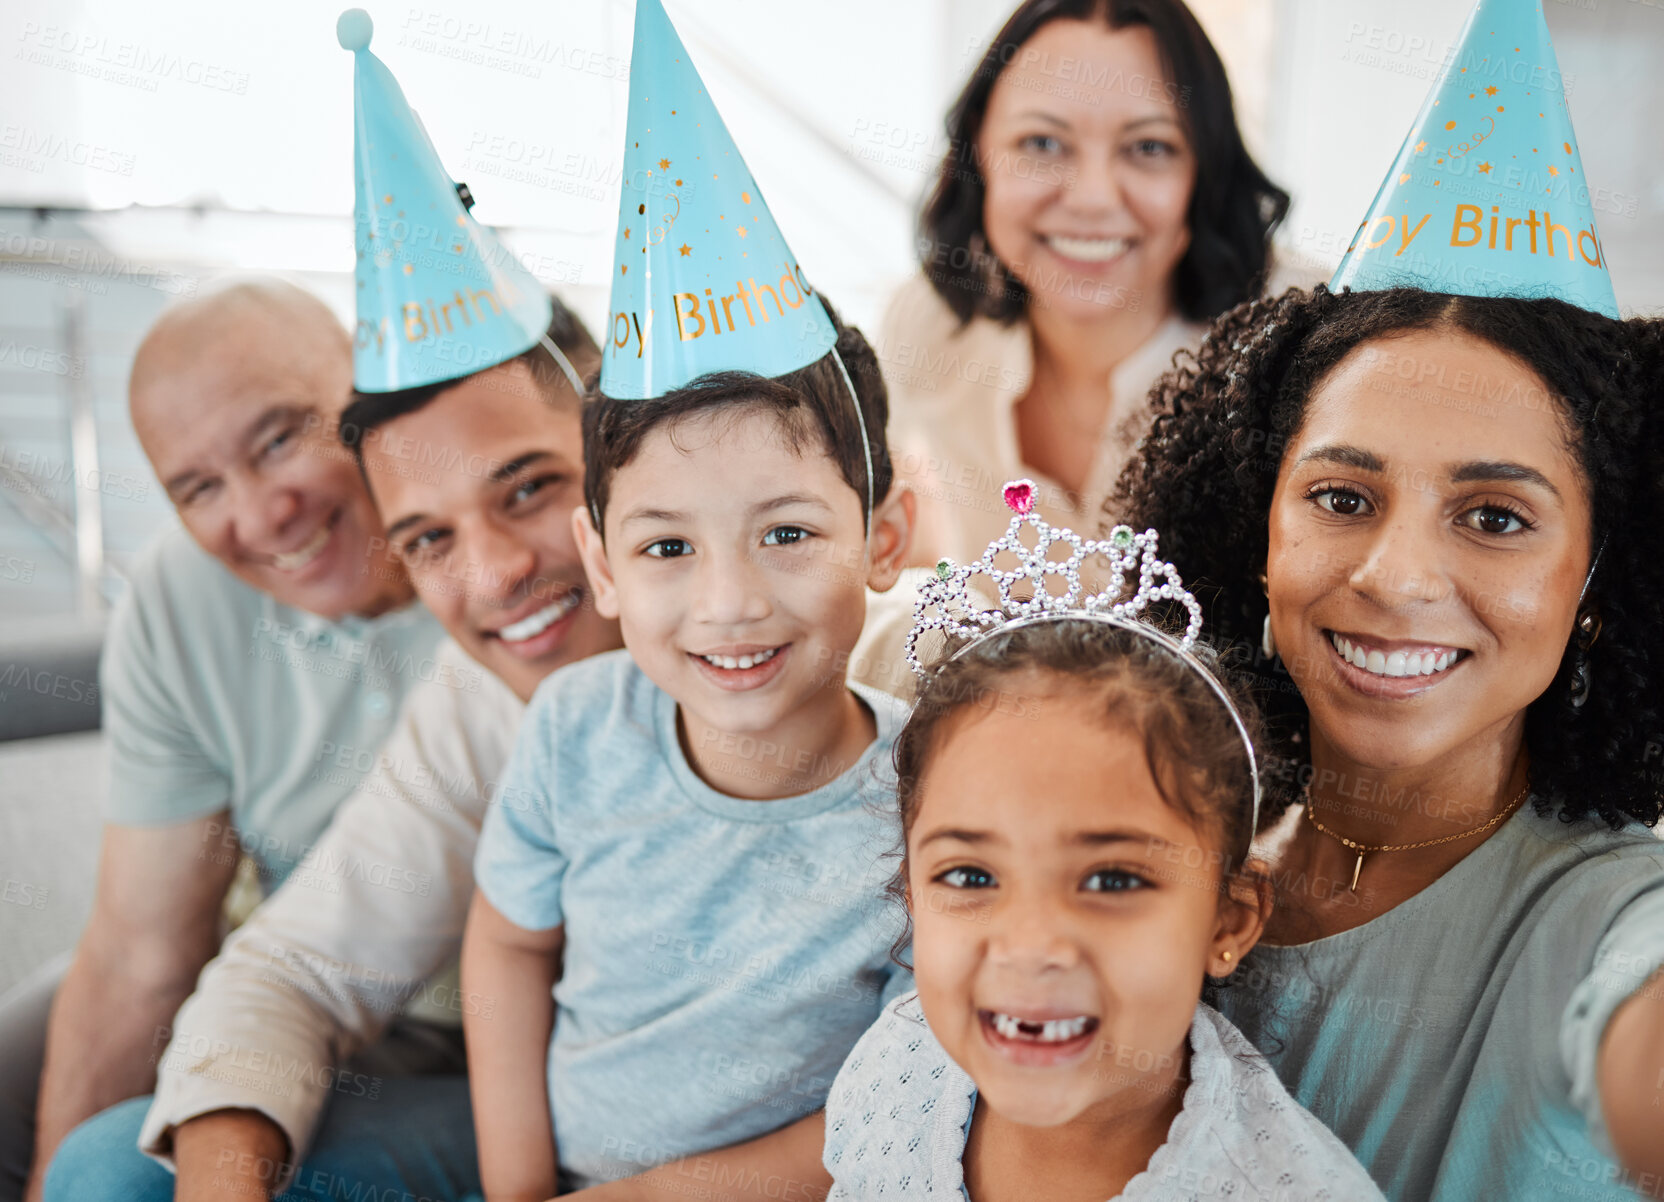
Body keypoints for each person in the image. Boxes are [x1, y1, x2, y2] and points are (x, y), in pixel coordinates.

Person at [38, 14, 625, 1200]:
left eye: (530, 488)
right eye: (433, 537)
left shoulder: (799, 663)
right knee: (105, 1164)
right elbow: (256, 965)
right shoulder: (482, 700)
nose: (497, 569)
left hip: (600, 1102)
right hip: (415, 1051)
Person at [1115, 4, 1663, 1193]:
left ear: (1597, 577)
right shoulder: (1165, 849)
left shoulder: (1612, 917)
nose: (1396, 576)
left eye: (1494, 517)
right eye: (1341, 496)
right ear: (1250, 524)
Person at [460, 5, 917, 1197]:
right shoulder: (574, 730)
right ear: (599, 562)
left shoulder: (932, 792)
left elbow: (919, 1082)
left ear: (886, 534)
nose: (728, 602)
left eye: (786, 531)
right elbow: (508, 942)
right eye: (665, 546)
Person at [0, 278, 445, 1202]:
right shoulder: (179, 599)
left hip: (487, 1033)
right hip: (288, 988)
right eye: (199, 487)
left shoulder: (501, 599)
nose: (259, 515)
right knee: (35, 1078)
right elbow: (141, 951)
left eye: (280, 438)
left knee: (118, 1168)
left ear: (369, 387)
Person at [822, 485, 1386, 1200]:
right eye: (968, 877)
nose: (1031, 945)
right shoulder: (899, 1065)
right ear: (911, 892)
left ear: (1230, 919)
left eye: (1113, 880)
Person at [885, 0, 1289, 572]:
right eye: (1042, 144)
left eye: (1149, 147)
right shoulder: (929, 327)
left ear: (1204, 172)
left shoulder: (1306, 341)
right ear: (980, 151)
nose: (1093, 197)